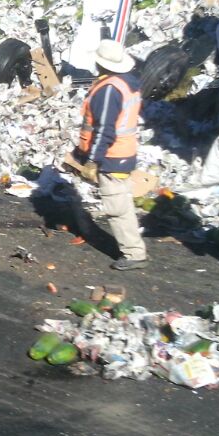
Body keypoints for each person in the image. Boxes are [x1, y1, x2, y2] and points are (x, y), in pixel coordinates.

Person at [69, 40, 148, 271]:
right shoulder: (128, 83)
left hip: (113, 156)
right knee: (121, 201)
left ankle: (134, 253)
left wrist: (93, 160)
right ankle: (134, 248)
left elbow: (105, 129)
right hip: (125, 151)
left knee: (117, 207)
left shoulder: (108, 90)